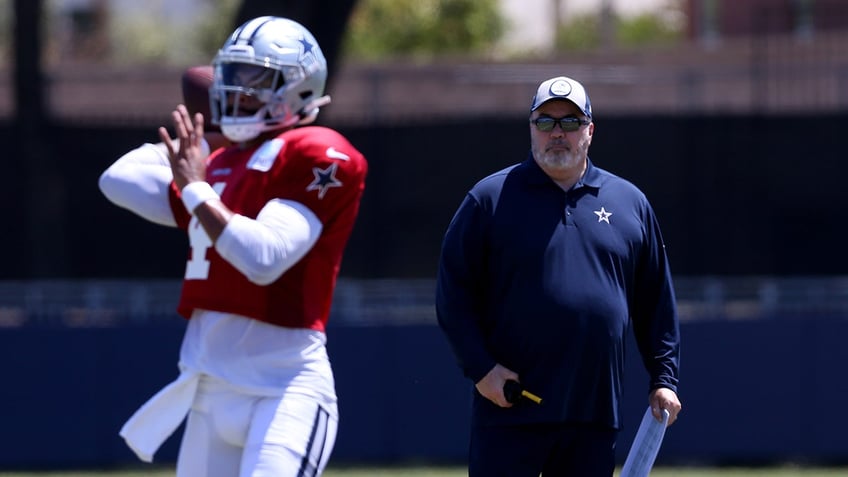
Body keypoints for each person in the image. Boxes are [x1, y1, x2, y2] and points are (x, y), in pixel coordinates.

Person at [99, 16, 367, 477]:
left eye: (255, 78)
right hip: (209, 390)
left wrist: (198, 188)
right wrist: (205, 152)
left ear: (299, 88)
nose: (236, 89)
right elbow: (116, 178)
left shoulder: (315, 149)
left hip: (283, 389)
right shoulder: (221, 166)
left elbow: (263, 259)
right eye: (232, 75)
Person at [435, 76, 681, 477]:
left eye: (570, 122)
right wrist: (481, 369)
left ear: (590, 130)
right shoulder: (490, 198)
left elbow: (656, 302)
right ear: (531, 128)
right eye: (545, 121)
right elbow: (453, 295)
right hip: (511, 409)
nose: (557, 133)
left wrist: (664, 379)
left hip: (593, 415)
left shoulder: (629, 202)